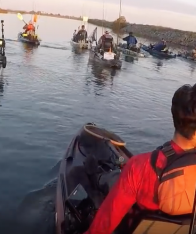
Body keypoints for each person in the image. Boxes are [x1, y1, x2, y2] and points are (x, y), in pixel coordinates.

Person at [84, 84, 196, 234]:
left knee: (112, 179)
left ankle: (95, 176)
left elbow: (102, 227)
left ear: (174, 115)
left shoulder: (140, 166)